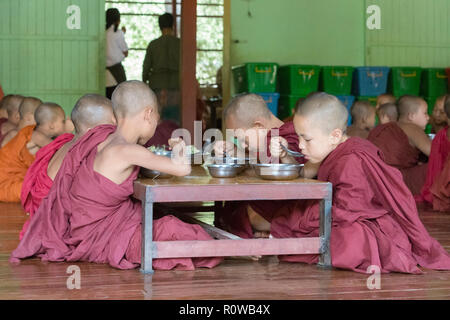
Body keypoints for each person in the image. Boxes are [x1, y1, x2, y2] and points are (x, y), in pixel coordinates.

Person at [10, 81, 223, 271]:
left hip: (85, 229)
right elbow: (183, 169)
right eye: (156, 118)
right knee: (176, 229)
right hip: (103, 237)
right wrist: (178, 146)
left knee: (165, 222)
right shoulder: (127, 150)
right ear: (148, 114)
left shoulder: (101, 140)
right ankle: (231, 247)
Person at [268, 92, 450, 274]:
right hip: (339, 213)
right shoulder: (327, 148)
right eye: (299, 137)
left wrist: (310, 216)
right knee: (286, 218)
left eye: (306, 139)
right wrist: (286, 156)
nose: (300, 145)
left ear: (335, 135)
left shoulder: (353, 158)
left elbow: (353, 209)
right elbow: (304, 173)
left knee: (352, 239)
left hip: (364, 221)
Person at [212, 93, 318, 240]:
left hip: (289, 212)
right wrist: (235, 151)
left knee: (240, 214)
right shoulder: (271, 137)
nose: (242, 144)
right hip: (271, 213)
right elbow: (258, 159)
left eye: (242, 139)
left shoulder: (286, 140)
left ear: (258, 126)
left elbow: (289, 177)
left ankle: (271, 230)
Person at [19, 94, 117, 240]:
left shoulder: (67, 141)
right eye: (111, 124)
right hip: (54, 215)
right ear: (92, 129)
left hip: (43, 209)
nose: (115, 129)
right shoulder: (84, 147)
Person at [0, 102, 68, 202]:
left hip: (13, 184)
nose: (65, 124)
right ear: (52, 125)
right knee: (48, 189)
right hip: (9, 186)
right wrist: (68, 132)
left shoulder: (32, 133)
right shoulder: (36, 136)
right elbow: (62, 150)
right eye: (63, 121)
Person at [368, 95, 430, 195]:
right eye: (425, 113)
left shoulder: (382, 128)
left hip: (373, 179)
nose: (428, 117)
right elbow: (435, 153)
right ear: (411, 116)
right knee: (439, 166)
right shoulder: (413, 128)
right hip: (395, 180)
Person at [142, 13, 180, 124]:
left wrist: (145, 83)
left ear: (159, 26)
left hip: (157, 86)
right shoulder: (180, 44)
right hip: (176, 86)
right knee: (175, 120)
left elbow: (146, 68)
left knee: (157, 120)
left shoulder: (153, 45)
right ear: (173, 25)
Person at [418, 95, 450, 211]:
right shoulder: (439, 136)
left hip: (442, 186)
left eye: (441, 111)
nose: (436, 114)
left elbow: (434, 168)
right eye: (435, 110)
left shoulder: (441, 136)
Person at [105, 8, 128, 99]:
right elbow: (125, 52)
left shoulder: (102, 33)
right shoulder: (118, 33)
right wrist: (122, 33)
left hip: (104, 75)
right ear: (118, 20)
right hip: (116, 73)